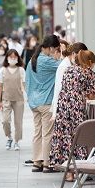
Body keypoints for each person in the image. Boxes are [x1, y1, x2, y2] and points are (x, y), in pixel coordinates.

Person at [49, 50, 95, 181]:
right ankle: (77, 171)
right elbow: (91, 94)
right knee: (78, 137)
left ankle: (68, 172)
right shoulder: (89, 73)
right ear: (90, 62)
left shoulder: (68, 70)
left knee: (65, 137)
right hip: (76, 108)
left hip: (63, 107)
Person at [25, 35, 61, 172]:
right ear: (51, 47)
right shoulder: (48, 61)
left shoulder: (32, 61)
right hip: (46, 102)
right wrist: (59, 57)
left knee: (37, 133)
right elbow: (66, 65)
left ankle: (36, 162)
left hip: (34, 102)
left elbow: (27, 82)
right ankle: (47, 163)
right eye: (56, 49)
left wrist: (30, 98)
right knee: (47, 134)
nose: (57, 51)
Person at [50, 42, 88, 120]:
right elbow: (58, 89)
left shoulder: (74, 65)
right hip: (64, 107)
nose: (81, 59)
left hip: (73, 106)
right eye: (81, 56)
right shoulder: (64, 66)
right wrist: (55, 113)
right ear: (74, 54)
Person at [0, 49, 25, 151]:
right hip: (6, 99)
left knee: (18, 122)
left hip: (18, 99)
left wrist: (28, 97)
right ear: (7, 58)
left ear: (18, 58)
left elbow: (24, 84)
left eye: (15, 57)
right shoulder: (3, 70)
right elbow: (0, 86)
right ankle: (9, 137)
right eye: (11, 57)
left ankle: (17, 141)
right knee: (5, 121)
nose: (13, 59)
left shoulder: (21, 70)